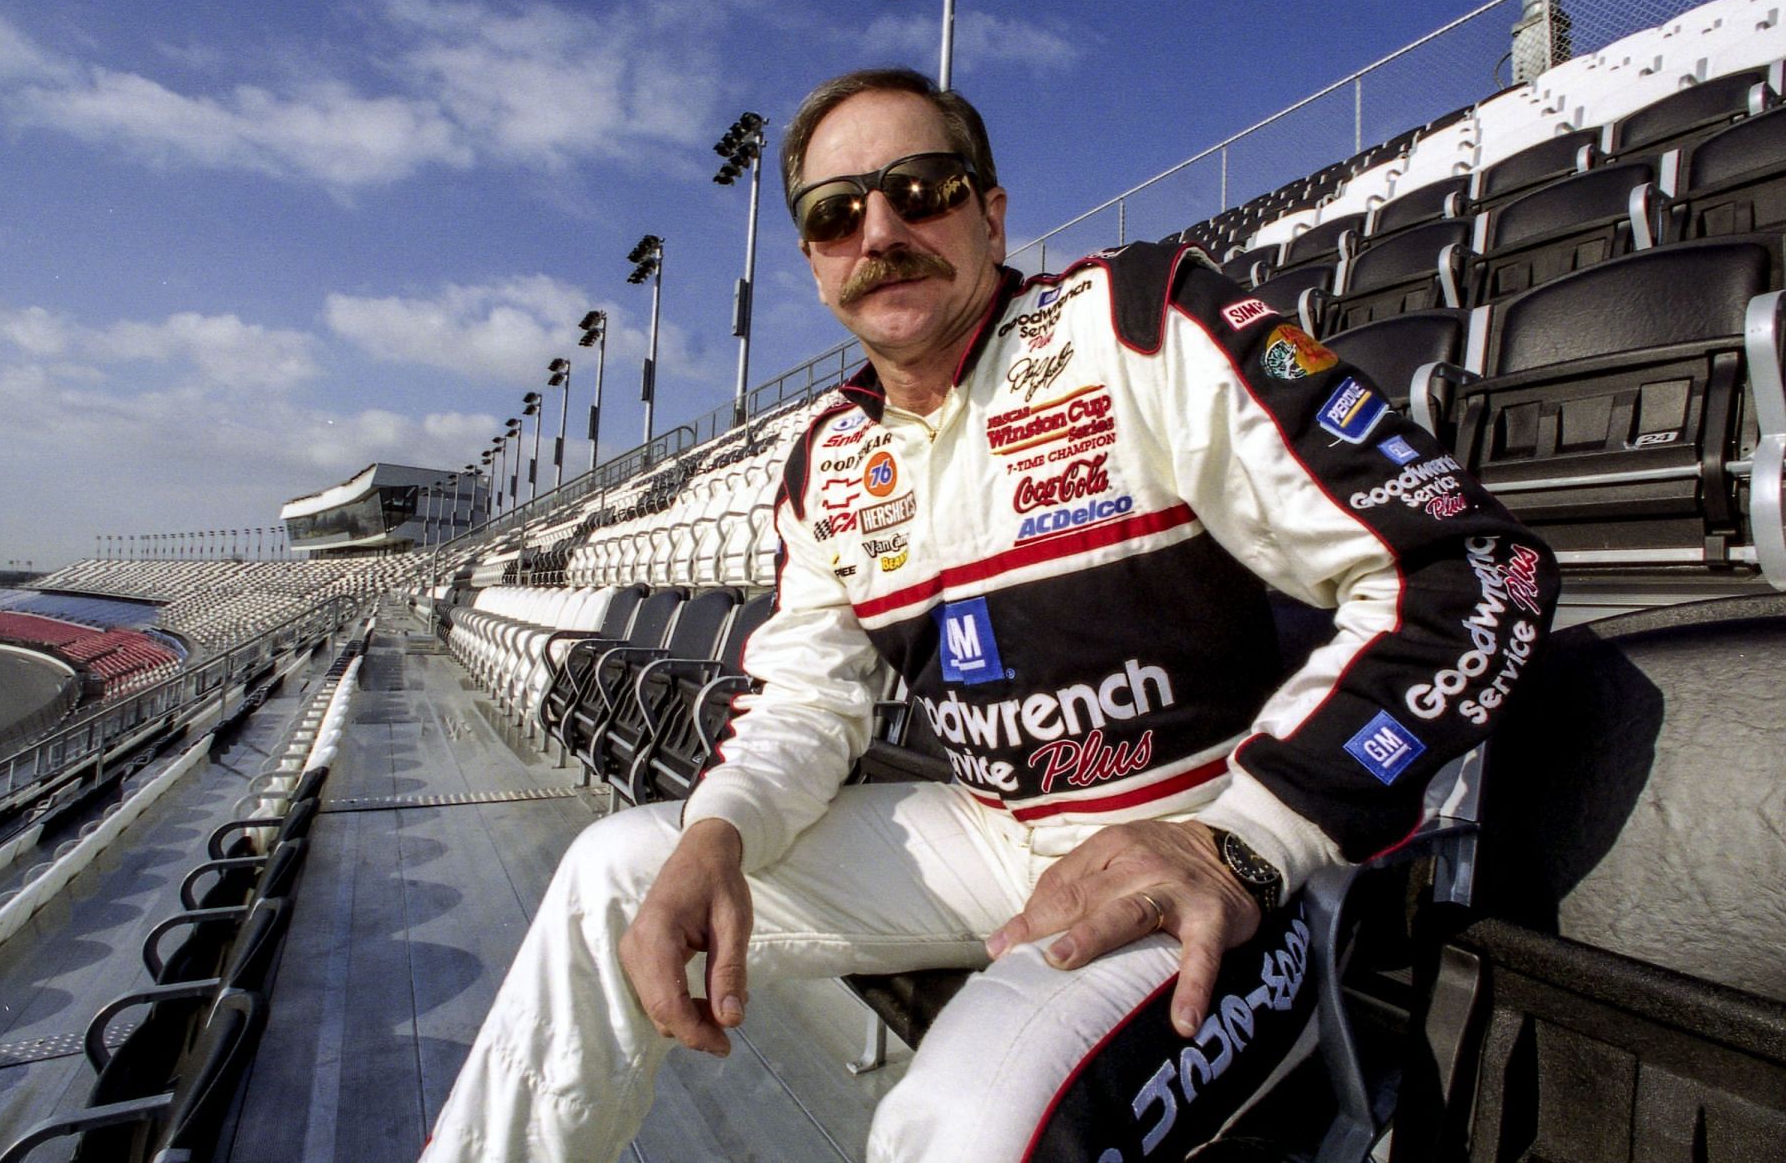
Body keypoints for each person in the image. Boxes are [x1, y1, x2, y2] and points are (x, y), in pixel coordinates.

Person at [421, 68, 1558, 1162]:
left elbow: (1474, 571)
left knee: (965, 1129)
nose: (879, 231)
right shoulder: (827, 460)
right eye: (834, 213)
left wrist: (1250, 837)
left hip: (1209, 845)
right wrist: (715, 829)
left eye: (919, 189)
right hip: (993, 831)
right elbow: (802, 706)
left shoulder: (1138, 323)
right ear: (814, 265)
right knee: (621, 869)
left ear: (991, 211)